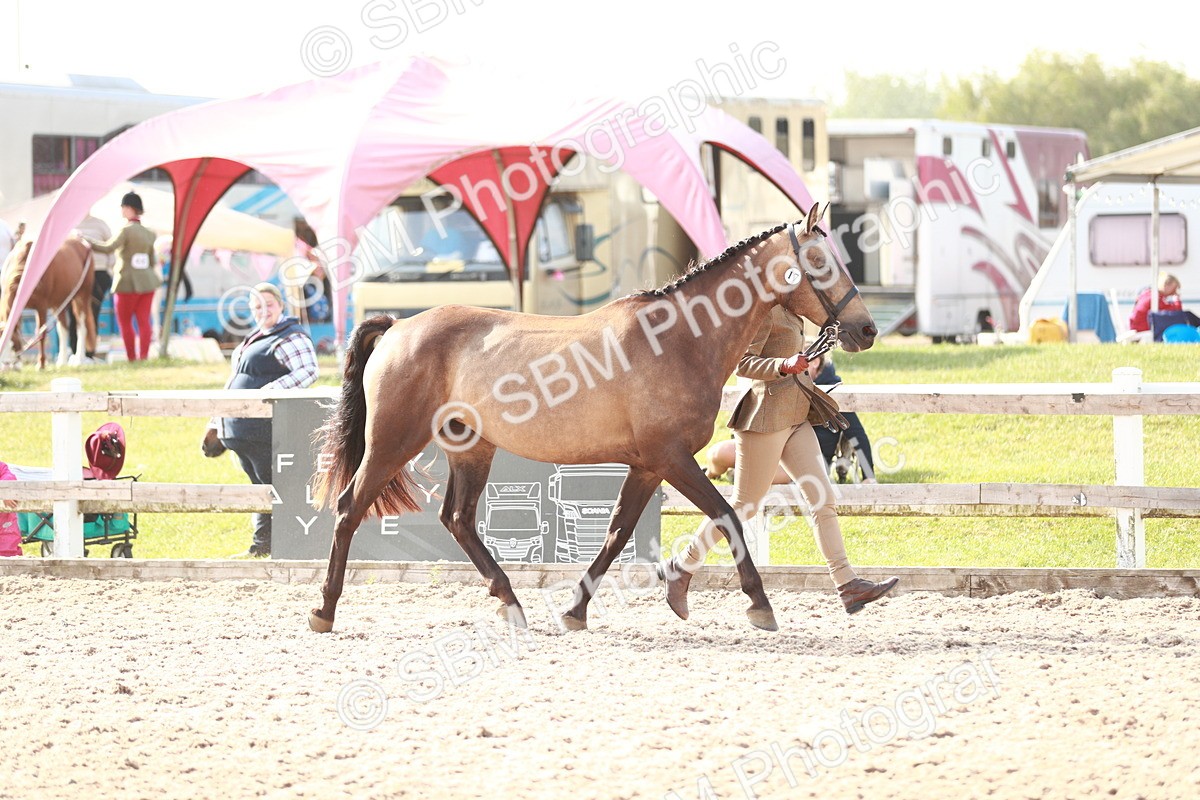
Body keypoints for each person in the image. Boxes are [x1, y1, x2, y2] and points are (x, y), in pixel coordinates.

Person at [657, 306, 899, 618]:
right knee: (744, 505)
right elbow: (741, 363)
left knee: (823, 499)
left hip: (797, 416)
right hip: (765, 419)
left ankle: (847, 584)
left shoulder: (793, 311)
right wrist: (782, 364)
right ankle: (682, 565)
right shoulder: (763, 312)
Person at [201, 283, 317, 558]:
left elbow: (308, 371)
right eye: (256, 307)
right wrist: (217, 420)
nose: (262, 311)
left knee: (274, 487)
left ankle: (288, 546)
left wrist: (266, 394)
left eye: (268, 304)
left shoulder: (289, 337)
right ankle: (262, 545)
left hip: (265, 428)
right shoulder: (253, 338)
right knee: (261, 488)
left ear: (281, 306)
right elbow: (232, 383)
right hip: (240, 429)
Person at [84, 192, 160, 361]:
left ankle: (132, 357)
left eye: (123, 207)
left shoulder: (125, 231)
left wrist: (87, 240)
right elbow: (152, 260)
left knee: (125, 322)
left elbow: (107, 248)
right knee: (144, 321)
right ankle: (144, 357)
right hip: (148, 282)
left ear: (128, 208)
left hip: (126, 283)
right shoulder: (150, 233)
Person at [808, 354, 877, 483]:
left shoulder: (835, 394)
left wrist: (868, 476)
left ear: (815, 362)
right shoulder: (795, 387)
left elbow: (857, 436)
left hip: (814, 467)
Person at [1128, 273, 1200, 333]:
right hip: (1143, 327)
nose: (1175, 291)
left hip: (1137, 325)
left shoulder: (1149, 294)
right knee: (1187, 316)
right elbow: (1176, 311)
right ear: (1166, 285)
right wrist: (1177, 300)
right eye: (1174, 288)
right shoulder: (1155, 298)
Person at [0, 461, 21, 557]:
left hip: (4, 526)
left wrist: (5, 491)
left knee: (8, 551)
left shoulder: (2, 468)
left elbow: (9, 476)